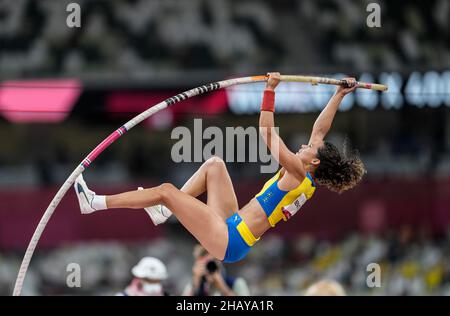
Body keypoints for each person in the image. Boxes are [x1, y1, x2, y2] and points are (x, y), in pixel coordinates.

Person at [74, 72, 365, 263]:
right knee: (215, 165)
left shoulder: (299, 173)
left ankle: (95, 202)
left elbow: (266, 133)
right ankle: (162, 212)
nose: (306, 144)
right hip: (233, 224)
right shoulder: (308, 172)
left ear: (314, 161)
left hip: (231, 240)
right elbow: (320, 131)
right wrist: (339, 94)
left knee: (165, 190)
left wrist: (269, 90)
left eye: (310, 148)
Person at [182, 244, 250, 296]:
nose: (209, 267)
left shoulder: (237, 284)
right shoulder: (193, 286)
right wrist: (196, 283)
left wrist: (223, 288)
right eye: (206, 264)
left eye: (212, 262)